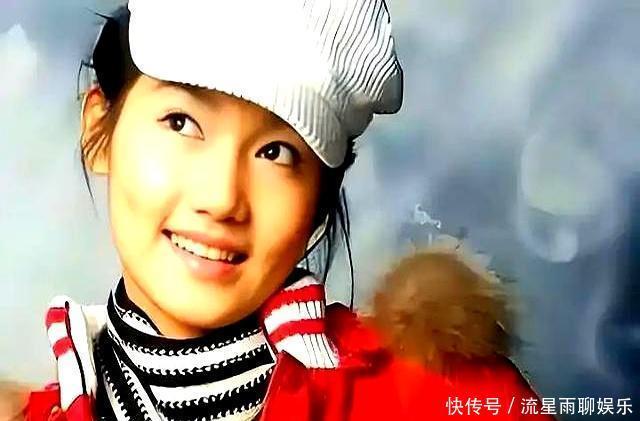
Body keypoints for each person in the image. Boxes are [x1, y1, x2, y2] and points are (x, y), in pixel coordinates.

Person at [13, 1, 554, 420]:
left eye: (276, 153)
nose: (221, 198)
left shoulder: (444, 398)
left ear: (318, 202)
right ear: (99, 130)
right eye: (181, 122)